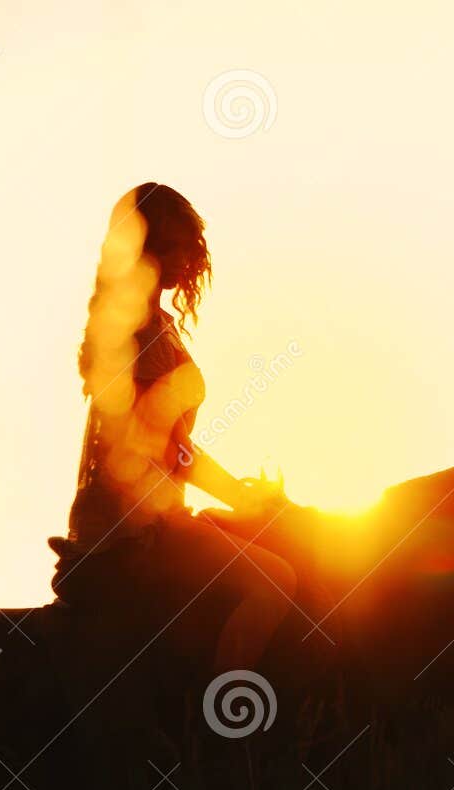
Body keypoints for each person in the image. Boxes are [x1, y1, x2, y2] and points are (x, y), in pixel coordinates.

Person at [50, 182, 297, 675]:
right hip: (136, 532)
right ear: (148, 247)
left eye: (189, 244)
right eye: (175, 243)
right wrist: (239, 498)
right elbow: (166, 449)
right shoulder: (138, 327)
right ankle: (224, 730)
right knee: (275, 583)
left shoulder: (152, 322)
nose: (187, 256)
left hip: (153, 517)